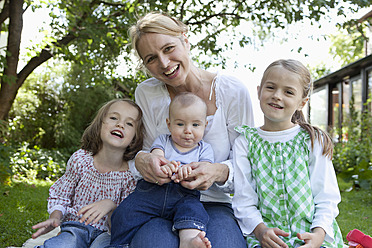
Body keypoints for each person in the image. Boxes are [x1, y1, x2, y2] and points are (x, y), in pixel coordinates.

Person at [111, 11, 255, 248]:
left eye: (168, 48)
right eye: (151, 58)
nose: (164, 64)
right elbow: (144, 152)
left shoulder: (232, 91)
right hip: (157, 200)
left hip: (213, 203)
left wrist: (217, 172)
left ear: (185, 40)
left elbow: (248, 166)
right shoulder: (146, 94)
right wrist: (144, 161)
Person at [232, 59, 344, 248]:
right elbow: (244, 199)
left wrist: (318, 236)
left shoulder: (312, 139)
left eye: (288, 92)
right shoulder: (245, 142)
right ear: (259, 91)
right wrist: (260, 231)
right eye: (270, 87)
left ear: (302, 102)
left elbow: (326, 197)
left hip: (312, 236)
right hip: (268, 238)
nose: (277, 96)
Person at [31, 99, 144, 248]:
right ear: (100, 125)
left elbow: (123, 224)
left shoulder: (130, 177)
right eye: (113, 118)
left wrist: (111, 205)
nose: (120, 124)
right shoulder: (81, 160)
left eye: (129, 124)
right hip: (76, 228)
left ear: (134, 138)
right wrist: (55, 218)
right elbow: (61, 195)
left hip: (108, 236)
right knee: (63, 244)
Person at [109, 92, 212, 248]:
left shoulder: (204, 149)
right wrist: (164, 165)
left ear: (205, 125)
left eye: (195, 125)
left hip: (184, 195)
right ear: (169, 124)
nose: (188, 130)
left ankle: (188, 240)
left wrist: (188, 172)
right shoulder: (163, 140)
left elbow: (203, 171)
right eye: (180, 124)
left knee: (194, 211)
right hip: (151, 191)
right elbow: (156, 157)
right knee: (124, 212)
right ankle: (118, 244)